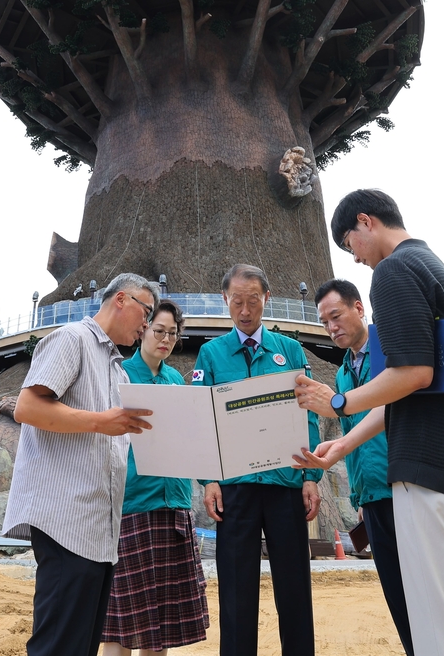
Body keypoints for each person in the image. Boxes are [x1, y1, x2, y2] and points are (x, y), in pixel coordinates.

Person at [294, 190, 444, 656]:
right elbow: (417, 388)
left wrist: (340, 402)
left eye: (351, 246)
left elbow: (411, 373)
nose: (359, 261)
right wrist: (344, 446)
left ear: (365, 222)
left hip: (435, 480)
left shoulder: (393, 270)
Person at [4, 273, 160, 656]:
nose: (148, 323)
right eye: (147, 311)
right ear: (121, 299)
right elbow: (28, 407)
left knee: (82, 646)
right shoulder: (72, 338)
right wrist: (100, 422)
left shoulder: (117, 370)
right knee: (58, 646)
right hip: (64, 521)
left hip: (99, 532)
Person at [193, 263, 323, 656]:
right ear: (225, 301)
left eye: (253, 301)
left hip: (285, 484)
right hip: (236, 489)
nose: (245, 310)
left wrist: (311, 477)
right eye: (237, 302)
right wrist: (209, 479)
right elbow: (201, 418)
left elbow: (309, 414)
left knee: (294, 586)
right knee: (236, 588)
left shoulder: (290, 350)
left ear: (266, 298)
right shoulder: (211, 354)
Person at [100, 299, 209, 655]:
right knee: (120, 624)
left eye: (172, 334)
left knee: (160, 627)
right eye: (158, 330)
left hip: (174, 505)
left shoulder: (177, 379)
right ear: (144, 328)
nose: (165, 339)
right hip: (133, 503)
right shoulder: (120, 375)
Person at [312, 278, 413, 656]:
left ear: (359, 309)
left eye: (336, 316)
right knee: (397, 595)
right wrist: (358, 492)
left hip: (405, 485)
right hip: (372, 496)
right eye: (324, 323)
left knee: (427, 590)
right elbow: (354, 435)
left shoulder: (389, 350)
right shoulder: (342, 373)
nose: (331, 327)